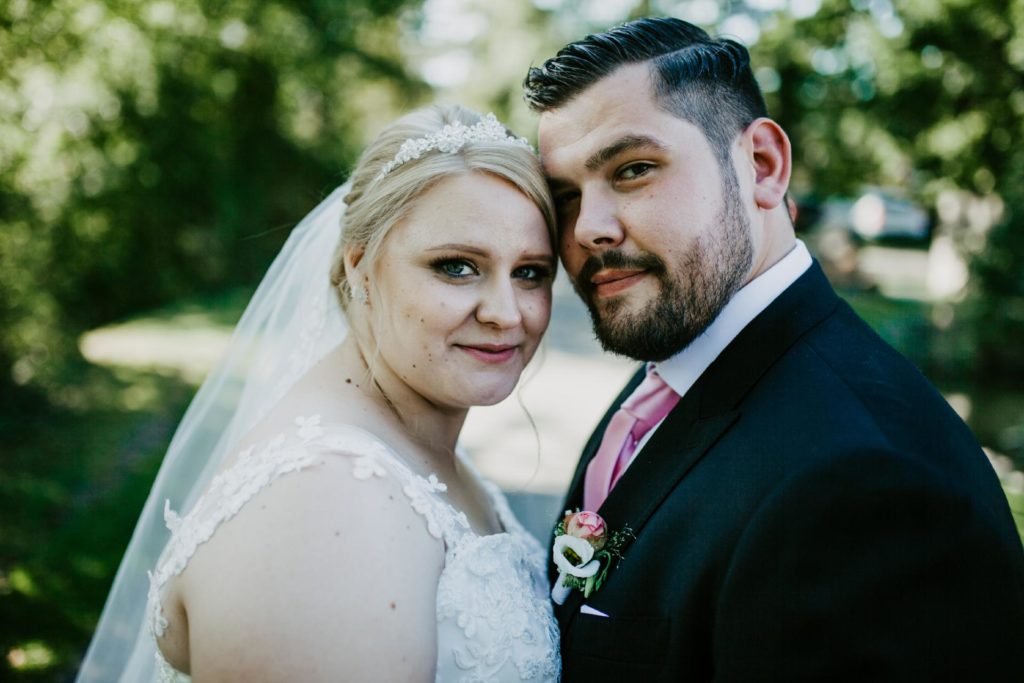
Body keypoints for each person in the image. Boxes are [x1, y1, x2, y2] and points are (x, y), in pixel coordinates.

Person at [524, 17, 1024, 681]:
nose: (588, 228)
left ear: (762, 165)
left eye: (634, 169)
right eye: (565, 195)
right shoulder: (677, 370)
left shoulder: (872, 485)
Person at [77, 105, 561, 682]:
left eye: (531, 272)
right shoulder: (324, 502)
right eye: (457, 267)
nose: (507, 314)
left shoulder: (414, 456)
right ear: (359, 267)